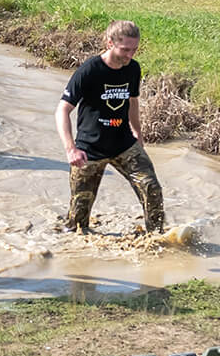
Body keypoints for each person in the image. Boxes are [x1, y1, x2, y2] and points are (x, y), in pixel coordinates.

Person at [55, 20, 164, 233]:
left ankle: (157, 240)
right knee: (76, 224)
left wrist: (137, 133)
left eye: (134, 49)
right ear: (109, 43)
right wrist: (71, 149)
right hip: (89, 151)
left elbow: (132, 101)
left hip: (124, 145)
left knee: (152, 188)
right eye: (125, 49)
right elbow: (62, 110)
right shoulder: (89, 70)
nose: (130, 55)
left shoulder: (133, 68)